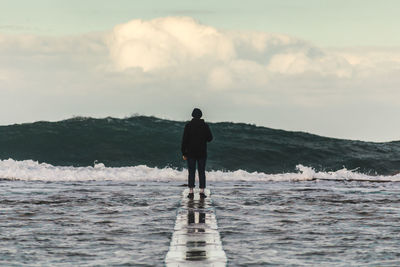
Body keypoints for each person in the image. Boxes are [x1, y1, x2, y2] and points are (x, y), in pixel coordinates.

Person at [181, 108, 213, 199]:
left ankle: (191, 192)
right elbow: (210, 138)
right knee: (201, 172)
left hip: (190, 152)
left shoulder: (188, 125)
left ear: (192, 115)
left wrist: (184, 152)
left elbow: (184, 140)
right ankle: (202, 192)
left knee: (191, 172)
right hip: (202, 152)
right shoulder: (205, 125)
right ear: (201, 115)